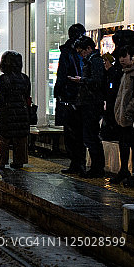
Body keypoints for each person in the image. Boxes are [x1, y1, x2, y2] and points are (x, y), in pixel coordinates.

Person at [70, 35, 106, 177]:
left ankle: (97, 169)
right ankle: (96, 168)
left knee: (91, 136)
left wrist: (81, 80)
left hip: (92, 103)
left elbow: (97, 81)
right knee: (89, 135)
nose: (80, 54)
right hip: (88, 103)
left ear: (89, 48)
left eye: (81, 51)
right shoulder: (90, 60)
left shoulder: (95, 60)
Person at [55, 23, 86, 175]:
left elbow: (61, 74)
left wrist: (59, 92)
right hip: (77, 96)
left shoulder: (68, 52)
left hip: (70, 96)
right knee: (76, 132)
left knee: (72, 132)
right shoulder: (79, 52)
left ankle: (76, 162)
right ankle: (78, 163)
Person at [0, 51, 31, 169]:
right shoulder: (24, 78)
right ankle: (19, 161)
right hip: (21, 111)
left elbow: (0, 96)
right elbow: (27, 95)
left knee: (4, 137)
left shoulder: (4, 78)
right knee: (20, 137)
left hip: (7, 111)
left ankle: (2, 161)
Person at [113, 45, 134, 186]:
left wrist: (128, 111)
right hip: (122, 117)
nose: (121, 59)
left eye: (125, 56)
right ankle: (124, 171)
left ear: (132, 56)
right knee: (123, 146)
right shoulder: (125, 73)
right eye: (120, 56)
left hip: (132, 119)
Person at [101, 52, 122, 142]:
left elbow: (111, 90)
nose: (104, 63)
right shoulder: (108, 73)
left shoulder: (113, 73)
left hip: (112, 105)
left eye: (105, 61)